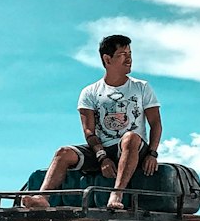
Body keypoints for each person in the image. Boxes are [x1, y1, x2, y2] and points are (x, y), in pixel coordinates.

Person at [24, 34, 162, 211]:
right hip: (101, 150)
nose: (129, 58)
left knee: (130, 138)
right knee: (63, 152)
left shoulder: (142, 87)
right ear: (107, 59)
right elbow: (88, 130)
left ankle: (116, 194)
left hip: (133, 149)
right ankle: (42, 198)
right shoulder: (90, 92)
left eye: (130, 53)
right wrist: (102, 156)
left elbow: (156, 123)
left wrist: (152, 153)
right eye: (122, 54)